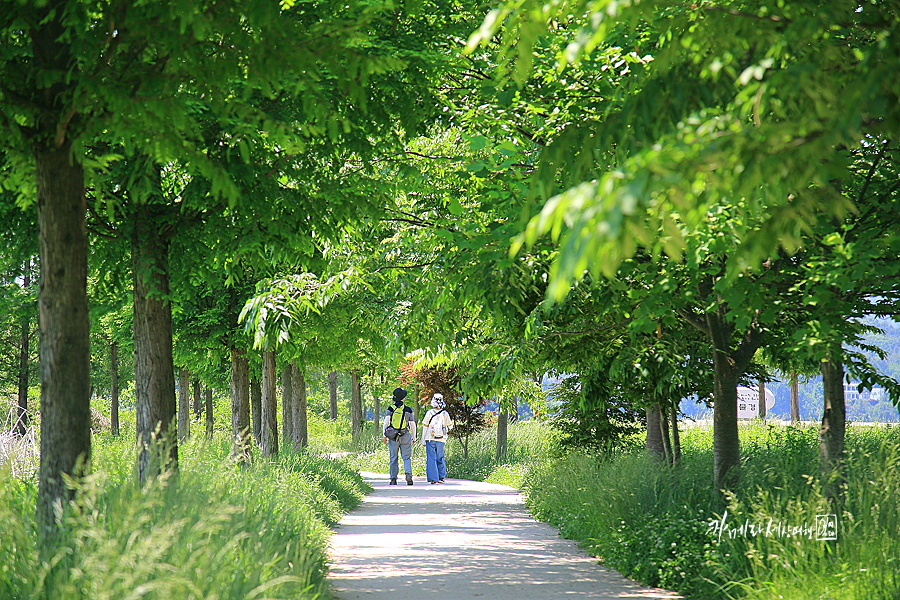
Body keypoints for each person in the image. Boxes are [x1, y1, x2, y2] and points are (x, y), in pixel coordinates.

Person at [383, 387, 416, 485]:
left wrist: (384, 435)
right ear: (403, 399)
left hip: (393, 436)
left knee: (393, 457)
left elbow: (386, 423)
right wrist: (414, 437)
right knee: (406, 457)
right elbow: (412, 424)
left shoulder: (391, 409)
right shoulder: (408, 409)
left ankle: (393, 478)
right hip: (405, 435)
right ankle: (408, 474)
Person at [422, 393, 453, 484]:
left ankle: (433, 478)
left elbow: (425, 426)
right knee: (440, 457)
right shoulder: (445, 413)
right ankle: (441, 476)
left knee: (431, 458)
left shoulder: (429, 413)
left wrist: (423, 439)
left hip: (430, 438)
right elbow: (450, 426)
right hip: (441, 438)